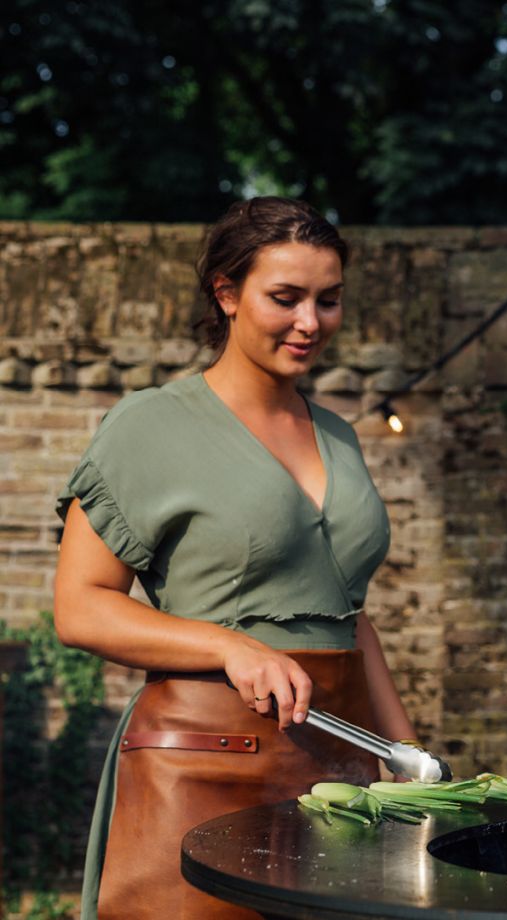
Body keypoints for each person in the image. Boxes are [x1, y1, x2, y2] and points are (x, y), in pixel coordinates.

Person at [53, 197, 414, 920]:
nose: (310, 322)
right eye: (285, 298)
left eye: (328, 300)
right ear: (226, 293)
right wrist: (229, 646)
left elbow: (348, 615)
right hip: (201, 766)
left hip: (339, 782)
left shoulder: (339, 435)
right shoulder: (150, 425)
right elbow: (80, 607)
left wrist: (408, 756)